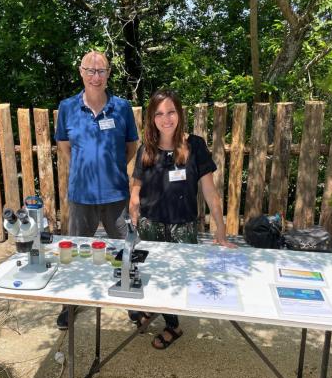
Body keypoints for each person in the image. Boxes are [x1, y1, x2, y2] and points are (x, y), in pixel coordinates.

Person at [128, 89, 236, 349]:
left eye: (171, 112)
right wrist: (133, 206)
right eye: (160, 114)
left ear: (180, 113)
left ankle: (173, 326)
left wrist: (220, 228)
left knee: (176, 278)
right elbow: (136, 184)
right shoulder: (147, 148)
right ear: (152, 118)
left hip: (182, 227)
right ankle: (155, 309)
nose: (166, 119)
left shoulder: (195, 145)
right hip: (150, 225)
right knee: (152, 274)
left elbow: (209, 190)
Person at [54, 51, 139, 329]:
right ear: (81, 72)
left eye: (101, 71)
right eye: (90, 71)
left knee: (125, 251)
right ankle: (71, 304)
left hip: (116, 195)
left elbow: (130, 147)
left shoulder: (122, 107)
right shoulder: (67, 107)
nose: (95, 76)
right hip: (81, 196)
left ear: (109, 73)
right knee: (75, 253)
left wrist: (110, 167)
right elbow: (66, 147)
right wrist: (85, 166)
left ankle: (132, 301)